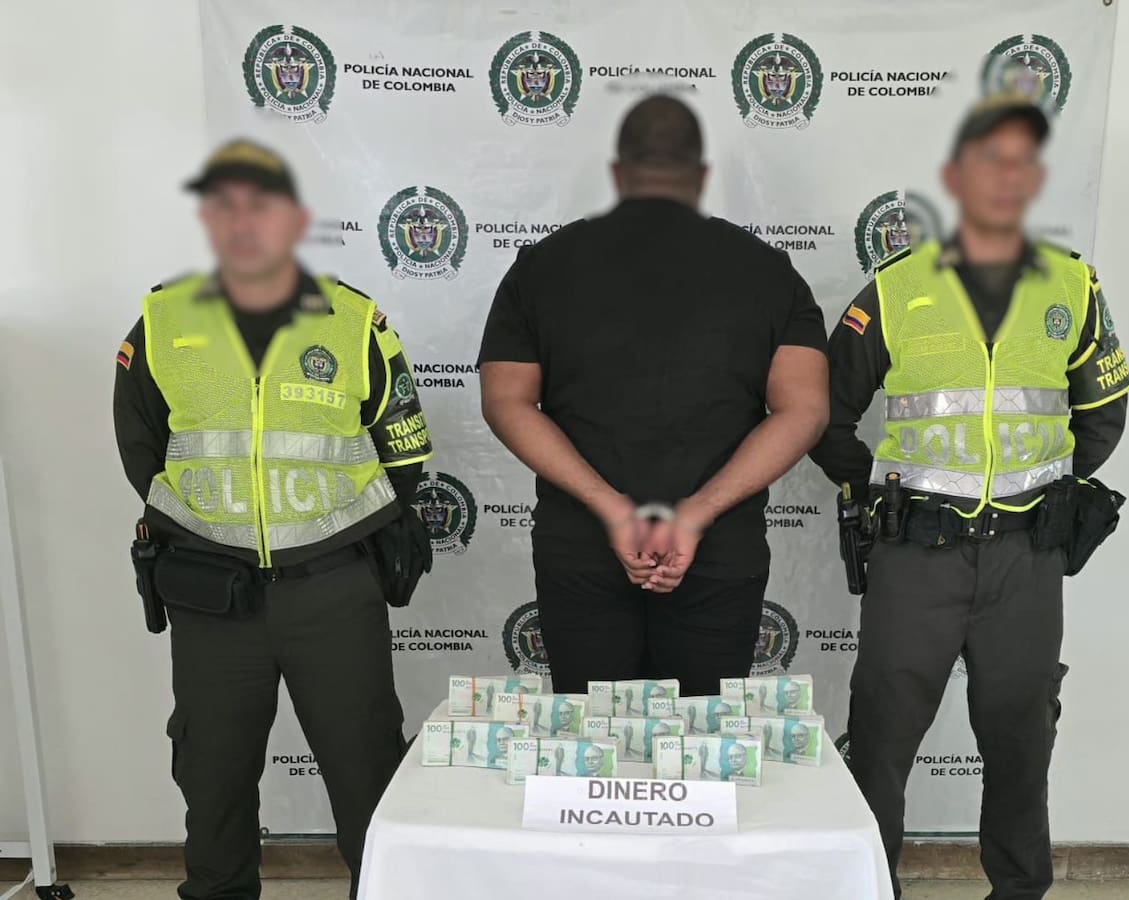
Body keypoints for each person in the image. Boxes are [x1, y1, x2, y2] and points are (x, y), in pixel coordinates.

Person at [809, 94, 1129, 900]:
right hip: (916, 554)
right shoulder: (895, 288)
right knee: (881, 736)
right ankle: (868, 887)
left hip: (1026, 555)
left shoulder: (1073, 284)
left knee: (1022, 736)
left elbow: (1102, 413)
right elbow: (824, 412)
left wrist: (1049, 490)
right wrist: (875, 491)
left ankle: (1019, 890)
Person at [113, 138, 433, 900]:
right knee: (213, 778)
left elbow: (403, 455)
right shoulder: (160, 322)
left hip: (333, 589)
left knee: (366, 772)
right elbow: (143, 452)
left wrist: (325, 535)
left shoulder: (354, 321)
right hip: (211, 596)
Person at [477, 94, 829, 697]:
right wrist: (696, 514)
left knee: (593, 742)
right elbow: (805, 409)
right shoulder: (769, 271)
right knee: (706, 744)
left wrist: (612, 509)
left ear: (618, 172)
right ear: (701, 174)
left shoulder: (541, 267)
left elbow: (505, 400)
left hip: (582, 547)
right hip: (717, 550)